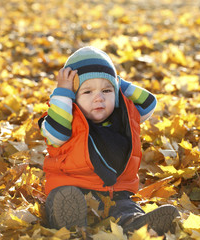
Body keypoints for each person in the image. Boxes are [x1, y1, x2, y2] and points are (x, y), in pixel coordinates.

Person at [38, 46, 180, 235]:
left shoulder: (124, 118)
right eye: (87, 92)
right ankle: (72, 227)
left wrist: (117, 82)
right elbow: (57, 134)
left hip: (114, 194)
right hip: (72, 190)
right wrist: (63, 92)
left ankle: (136, 225)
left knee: (126, 208)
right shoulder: (64, 118)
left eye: (106, 91)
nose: (99, 98)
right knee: (64, 198)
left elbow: (148, 103)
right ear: (73, 97)